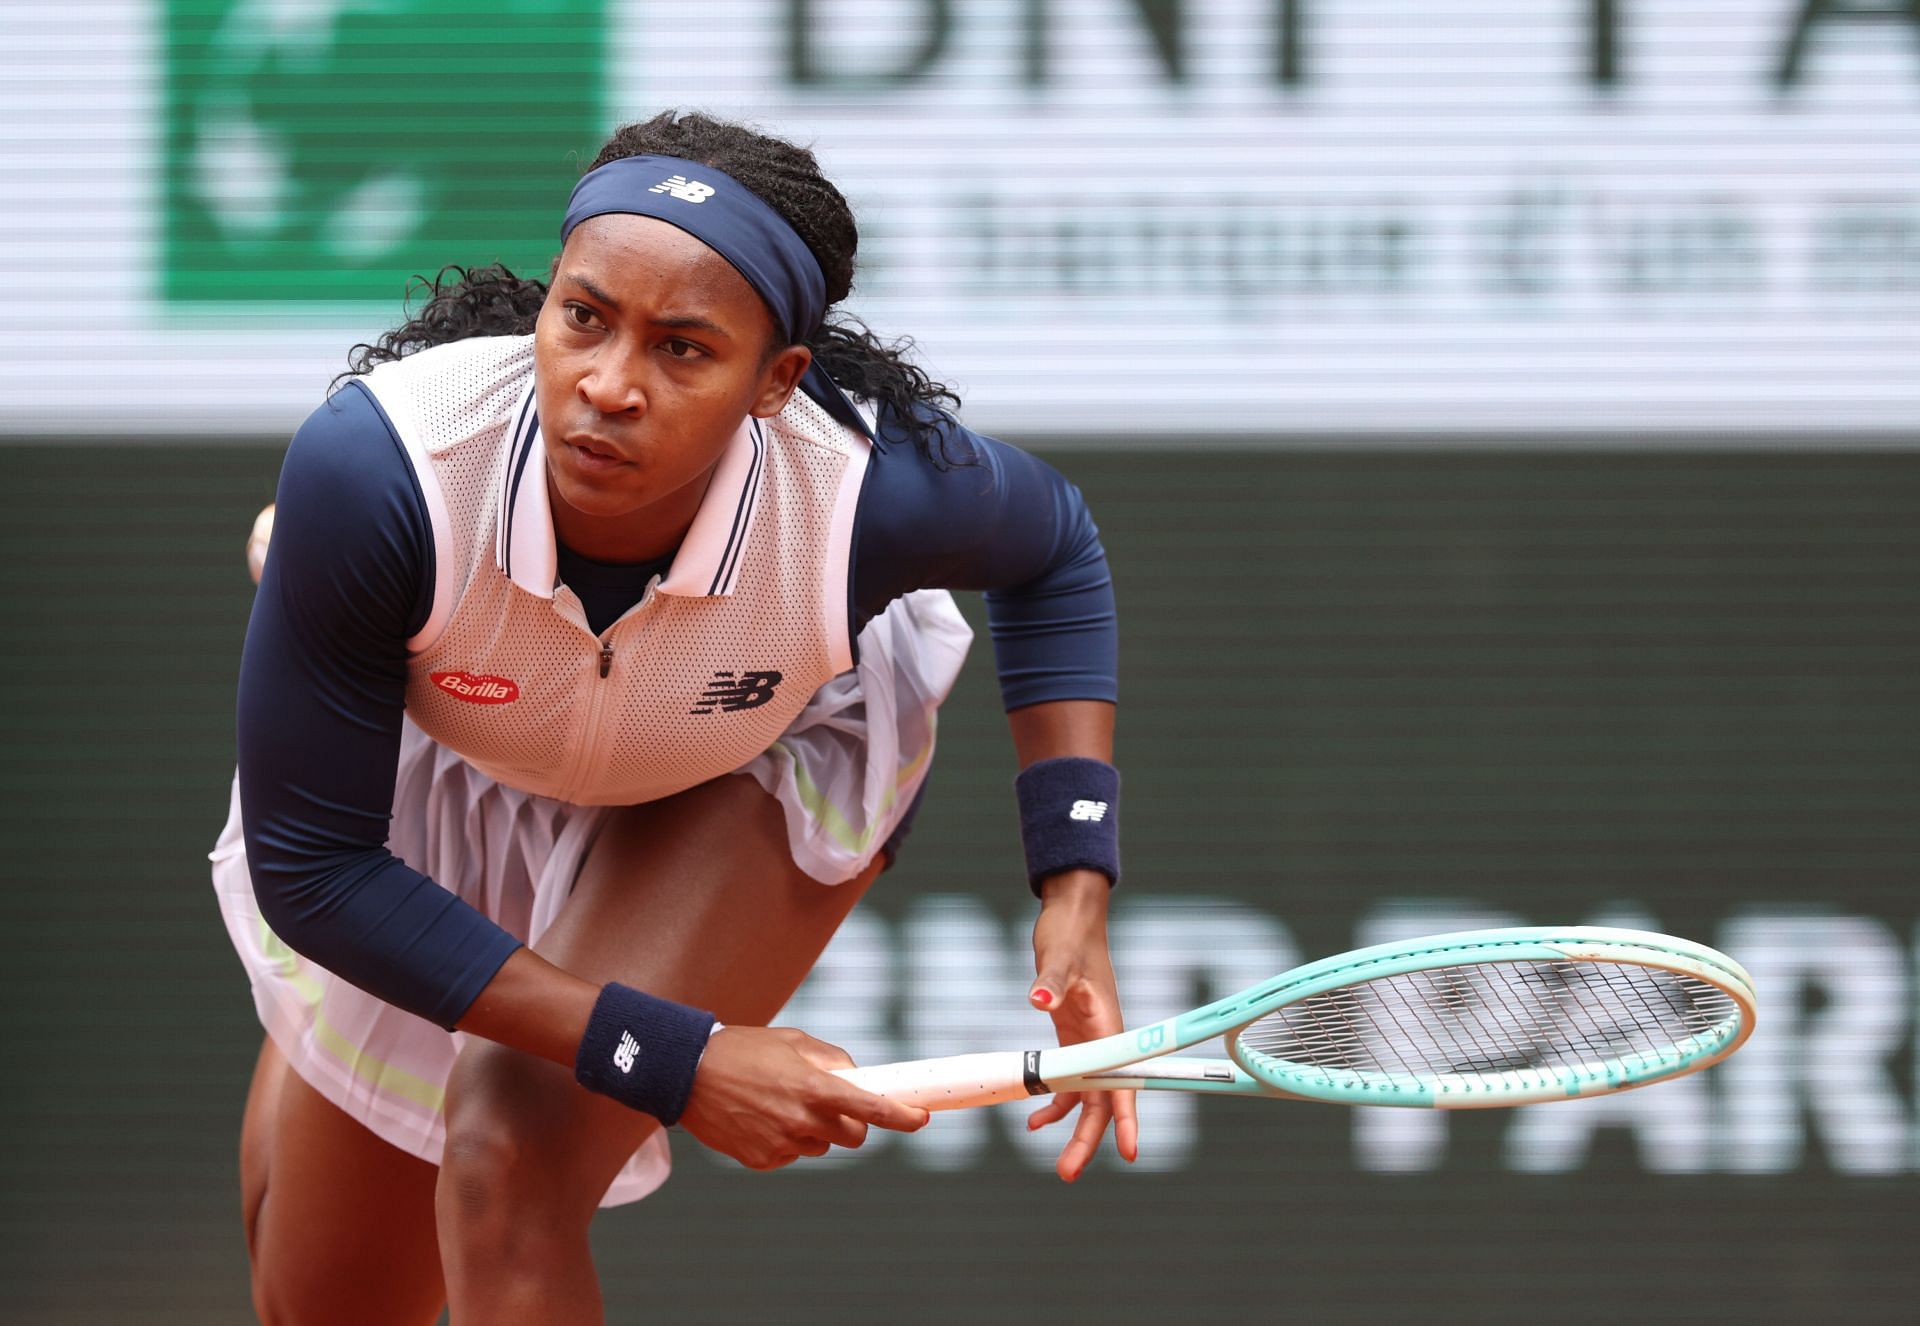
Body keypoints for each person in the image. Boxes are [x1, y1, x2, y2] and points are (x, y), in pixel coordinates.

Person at [213, 110, 1133, 1326]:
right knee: (322, 1303)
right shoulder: (383, 472)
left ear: (776, 382)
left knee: (507, 1152)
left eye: (684, 349)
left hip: (749, 752)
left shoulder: (870, 494)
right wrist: (686, 1059)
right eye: (583, 316)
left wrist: (1073, 884)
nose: (607, 386)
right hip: (458, 756)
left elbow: (1053, 548)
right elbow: (314, 870)